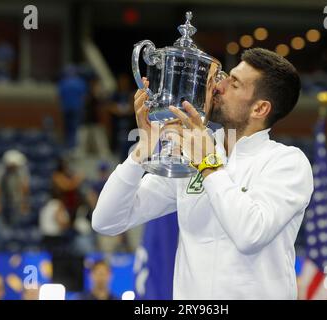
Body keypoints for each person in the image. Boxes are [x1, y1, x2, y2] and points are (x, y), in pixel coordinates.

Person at [92, 48, 314, 299]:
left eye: (235, 84)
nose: (219, 86)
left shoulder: (287, 163)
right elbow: (106, 221)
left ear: (260, 109)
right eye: (226, 77)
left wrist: (208, 163)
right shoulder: (191, 153)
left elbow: (250, 235)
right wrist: (143, 150)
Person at [0, 149, 30, 227]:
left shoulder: (22, 169)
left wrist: (24, 203)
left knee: (17, 222)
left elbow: (25, 187)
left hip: (17, 199)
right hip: (3, 198)